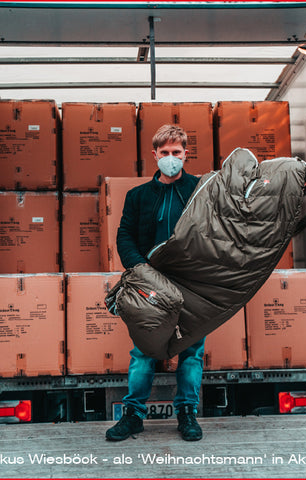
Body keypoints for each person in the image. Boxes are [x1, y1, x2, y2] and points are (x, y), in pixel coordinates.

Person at [105, 124, 205, 442]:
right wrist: (139, 268)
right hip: (151, 284)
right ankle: (133, 415)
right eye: (165, 153)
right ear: (155, 155)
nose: (171, 158)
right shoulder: (138, 197)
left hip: (191, 282)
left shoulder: (200, 189)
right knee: (144, 351)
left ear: (186, 153)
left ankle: (187, 414)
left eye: (176, 153)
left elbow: (213, 232)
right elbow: (125, 235)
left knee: (191, 351)